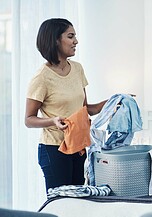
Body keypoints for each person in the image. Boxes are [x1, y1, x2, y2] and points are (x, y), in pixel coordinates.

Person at [25, 18, 107, 192]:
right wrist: (53, 120)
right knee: (61, 204)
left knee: (77, 201)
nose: (76, 41)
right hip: (54, 149)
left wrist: (113, 102)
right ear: (55, 40)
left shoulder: (77, 69)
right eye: (70, 36)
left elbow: (85, 109)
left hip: (78, 146)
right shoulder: (42, 77)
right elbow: (29, 119)